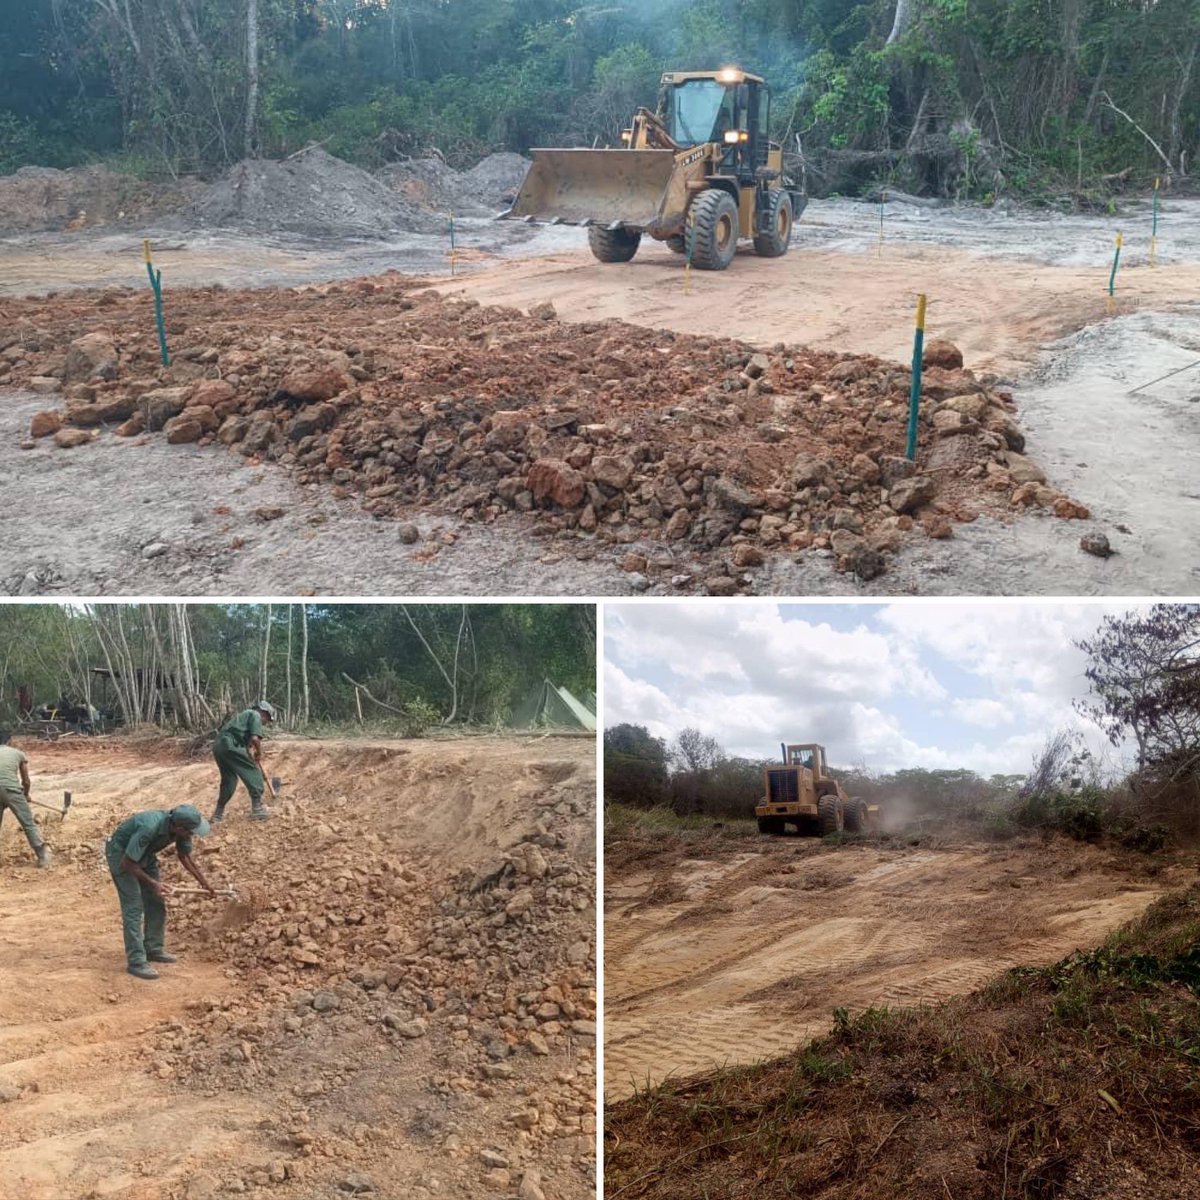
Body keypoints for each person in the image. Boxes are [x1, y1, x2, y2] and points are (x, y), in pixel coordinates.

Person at [105, 803, 215, 980]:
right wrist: (153, 883)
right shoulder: (150, 827)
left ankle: (153, 948)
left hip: (145, 855)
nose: (192, 835)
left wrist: (204, 882)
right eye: (190, 832)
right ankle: (136, 962)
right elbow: (127, 863)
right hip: (121, 854)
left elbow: (184, 856)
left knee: (156, 900)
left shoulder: (181, 828)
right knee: (133, 906)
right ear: (179, 827)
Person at [211, 700, 276, 823]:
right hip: (230, 744)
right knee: (253, 771)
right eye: (267, 720)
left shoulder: (244, 717)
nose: (265, 723)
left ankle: (217, 814)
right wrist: (258, 753)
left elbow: (244, 739)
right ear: (263, 713)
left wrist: (249, 749)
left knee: (229, 780)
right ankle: (257, 809)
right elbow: (255, 738)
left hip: (219, 746)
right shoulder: (255, 715)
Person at [0, 729, 50, 869]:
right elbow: (26, 781)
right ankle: (42, 856)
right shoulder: (18, 753)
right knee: (28, 823)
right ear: (9, 741)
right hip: (12, 791)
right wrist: (26, 794)